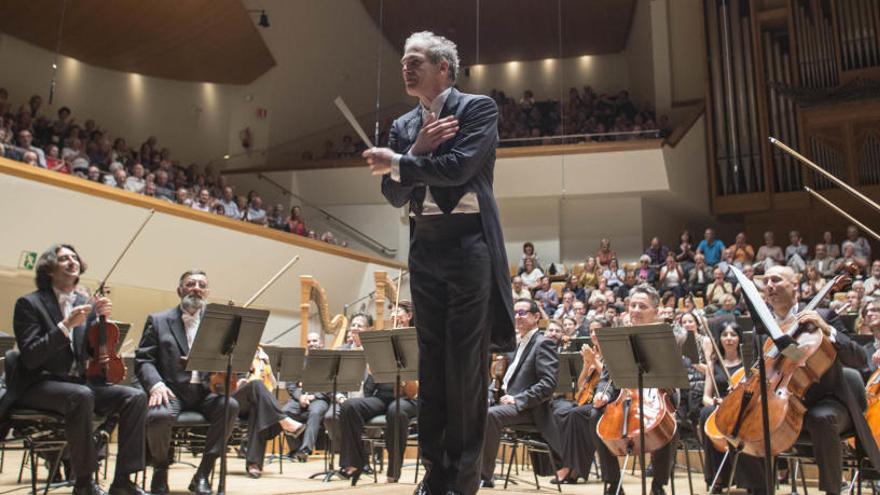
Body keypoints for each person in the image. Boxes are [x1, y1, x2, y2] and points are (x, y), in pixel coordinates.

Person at [363, 30, 515, 495]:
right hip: (425, 249)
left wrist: (404, 162)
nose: (406, 69)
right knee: (431, 366)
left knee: (465, 366)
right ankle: (436, 474)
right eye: (404, 62)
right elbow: (393, 194)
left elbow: (460, 169)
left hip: (470, 246)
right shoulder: (403, 128)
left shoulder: (478, 109)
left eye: (416, 62)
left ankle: (465, 479)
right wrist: (413, 153)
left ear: (443, 67)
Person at [3, 244, 148, 495]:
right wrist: (66, 325)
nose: (72, 261)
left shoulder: (83, 303)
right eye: (63, 258)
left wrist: (102, 320)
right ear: (49, 269)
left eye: (74, 257)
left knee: (134, 396)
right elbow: (31, 356)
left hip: (77, 384)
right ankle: (83, 482)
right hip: (37, 384)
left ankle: (123, 480)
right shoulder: (29, 304)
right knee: (81, 395)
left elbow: (91, 355)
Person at [738, 266, 880, 495]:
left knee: (821, 417)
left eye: (776, 280)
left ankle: (833, 491)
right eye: (766, 282)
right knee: (750, 417)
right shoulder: (762, 327)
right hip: (783, 404)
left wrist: (827, 330)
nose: (769, 286)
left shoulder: (823, 316)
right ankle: (759, 490)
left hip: (829, 402)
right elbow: (760, 372)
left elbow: (860, 358)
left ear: (795, 284)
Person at [135, 270, 239, 495]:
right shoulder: (159, 320)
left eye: (202, 285)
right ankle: (160, 470)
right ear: (180, 290)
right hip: (172, 391)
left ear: (207, 292)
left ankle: (203, 474)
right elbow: (144, 359)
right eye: (190, 283)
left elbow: (231, 357)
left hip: (205, 392)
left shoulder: (217, 324)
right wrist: (157, 385)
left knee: (230, 406)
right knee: (159, 416)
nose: (196, 288)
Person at [589, 285, 678, 495]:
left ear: (655, 312)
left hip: (658, 397)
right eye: (633, 305)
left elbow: (677, 383)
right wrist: (602, 393)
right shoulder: (617, 339)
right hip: (626, 399)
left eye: (642, 306)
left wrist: (669, 389)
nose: (636, 309)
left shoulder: (667, 338)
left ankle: (658, 485)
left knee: (670, 422)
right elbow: (606, 378)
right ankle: (613, 483)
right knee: (594, 415)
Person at [480, 299, 560, 487]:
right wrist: (491, 395)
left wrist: (518, 399)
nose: (517, 317)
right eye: (515, 313)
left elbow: (548, 384)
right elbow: (503, 380)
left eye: (522, 313)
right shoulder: (517, 344)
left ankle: (484, 476)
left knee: (490, 416)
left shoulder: (543, 343)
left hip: (529, 409)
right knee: (472, 409)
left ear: (536, 317)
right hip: (509, 405)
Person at [699, 322, 745, 492]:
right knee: (706, 412)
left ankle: (746, 476)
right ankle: (715, 477)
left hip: (742, 410)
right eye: (725, 335)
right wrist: (719, 404)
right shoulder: (713, 364)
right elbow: (706, 396)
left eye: (733, 334)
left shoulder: (747, 364)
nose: (729, 338)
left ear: (739, 338)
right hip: (718, 409)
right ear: (719, 339)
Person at [283, 332, 329, 462]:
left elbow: (332, 385)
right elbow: (291, 384)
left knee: (315, 412)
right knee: (284, 412)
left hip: (319, 398)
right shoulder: (300, 361)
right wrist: (300, 397)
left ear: (321, 343)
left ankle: (305, 450)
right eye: (309, 341)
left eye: (314, 341)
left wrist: (314, 396)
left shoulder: (328, 362)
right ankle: (295, 449)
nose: (311, 344)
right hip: (301, 397)